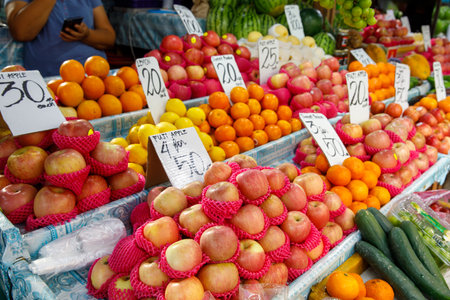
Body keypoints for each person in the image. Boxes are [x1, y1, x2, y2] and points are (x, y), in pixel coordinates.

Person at [4, 0, 116, 76]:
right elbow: (20, 32)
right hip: (50, 81)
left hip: (95, 78)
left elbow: (109, 38)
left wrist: (87, 35)